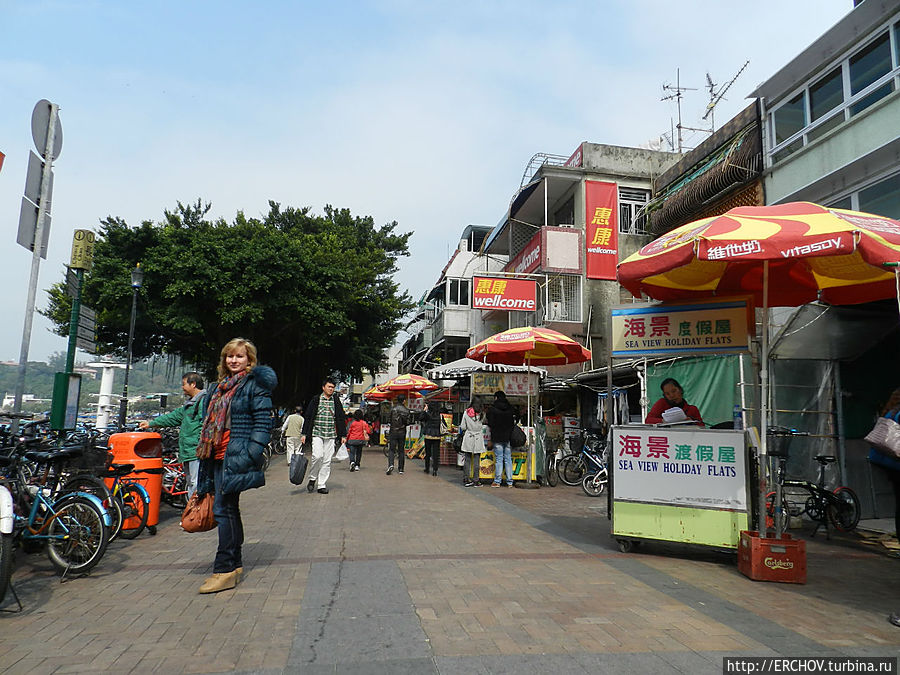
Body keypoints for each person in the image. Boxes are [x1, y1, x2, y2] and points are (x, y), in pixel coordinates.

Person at [195, 338, 276, 594]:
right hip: (216, 454)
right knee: (229, 509)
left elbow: (264, 425)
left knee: (222, 510)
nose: (234, 360)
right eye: (230, 355)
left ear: (249, 360)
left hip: (236, 456)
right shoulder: (219, 387)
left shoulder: (254, 386)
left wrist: (249, 455)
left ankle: (224, 569)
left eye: (239, 356)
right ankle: (235, 564)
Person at [139, 371, 206, 499]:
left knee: (196, 484)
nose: (182, 388)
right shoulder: (190, 404)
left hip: (196, 451)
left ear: (193, 384)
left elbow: (206, 425)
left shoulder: (203, 402)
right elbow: (173, 417)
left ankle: (197, 514)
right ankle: (193, 513)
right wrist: (151, 423)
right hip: (188, 451)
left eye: (184, 384)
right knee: (191, 483)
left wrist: (200, 443)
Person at [301, 377, 347, 494]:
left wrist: (343, 435)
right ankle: (312, 478)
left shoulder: (336, 400)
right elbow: (308, 416)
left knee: (327, 460)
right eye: (329, 387)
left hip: (331, 434)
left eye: (333, 387)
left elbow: (341, 418)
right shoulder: (316, 399)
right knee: (317, 456)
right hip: (317, 433)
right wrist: (304, 433)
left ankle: (321, 484)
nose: (331, 389)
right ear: (323, 387)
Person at [487, 391, 517, 487]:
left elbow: (490, 423)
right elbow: (514, 422)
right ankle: (509, 482)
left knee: (499, 459)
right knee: (508, 459)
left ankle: (497, 481)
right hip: (508, 437)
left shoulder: (492, 409)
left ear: (496, 398)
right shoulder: (510, 408)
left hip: (497, 437)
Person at [460, 401, 486, 487]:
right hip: (478, 437)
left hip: (469, 436)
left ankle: (466, 479)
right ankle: (476, 480)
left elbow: (463, 426)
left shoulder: (466, 413)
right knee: (476, 460)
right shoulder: (482, 414)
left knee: (467, 460)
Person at [386, 394, 411, 475]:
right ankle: (401, 469)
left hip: (393, 431)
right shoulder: (406, 410)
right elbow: (408, 422)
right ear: (404, 401)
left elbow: (389, 420)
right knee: (401, 450)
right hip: (402, 432)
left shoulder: (393, 409)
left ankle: (391, 464)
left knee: (391, 450)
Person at [419, 400, 442, 476]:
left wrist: (424, 410)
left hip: (428, 435)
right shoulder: (440, 415)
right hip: (437, 436)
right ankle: (435, 470)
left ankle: (427, 468)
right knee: (436, 454)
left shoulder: (427, 414)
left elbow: (420, 418)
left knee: (428, 453)